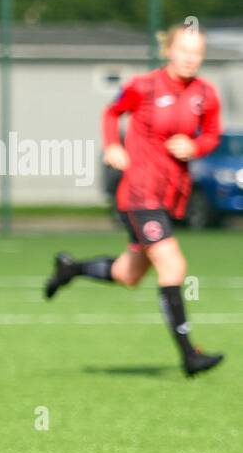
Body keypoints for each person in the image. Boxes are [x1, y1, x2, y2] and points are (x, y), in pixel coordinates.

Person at [45, 22, 223, 377]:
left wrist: (196, 146)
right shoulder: (143, 86)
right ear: (168, 50)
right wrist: (112, 144)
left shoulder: (206, 93)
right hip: (140, 193)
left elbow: (213, 134)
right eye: (184, 50)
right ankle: (190, 355)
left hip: (170, 195)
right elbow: (112, 113)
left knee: (128, 274)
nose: (191, 59)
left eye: (197, 53)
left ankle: (70, 268)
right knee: (173, 267)